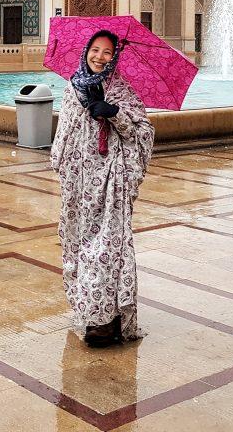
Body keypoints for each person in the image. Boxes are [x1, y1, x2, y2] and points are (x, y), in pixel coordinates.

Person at [49, 29, 155, 347]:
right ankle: (92, 312)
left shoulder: (121, 90)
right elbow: (64, 137)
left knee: (108, 248)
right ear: (86, 51)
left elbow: (144, 132)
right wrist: (87, 109)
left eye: (107, 52)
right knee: (81, 246)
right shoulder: (73, 88)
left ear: (115, 57)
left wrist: (114, 114)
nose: (99, 57)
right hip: (80, 185)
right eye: (95, 50)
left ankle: (107, 322)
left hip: (112, 183)